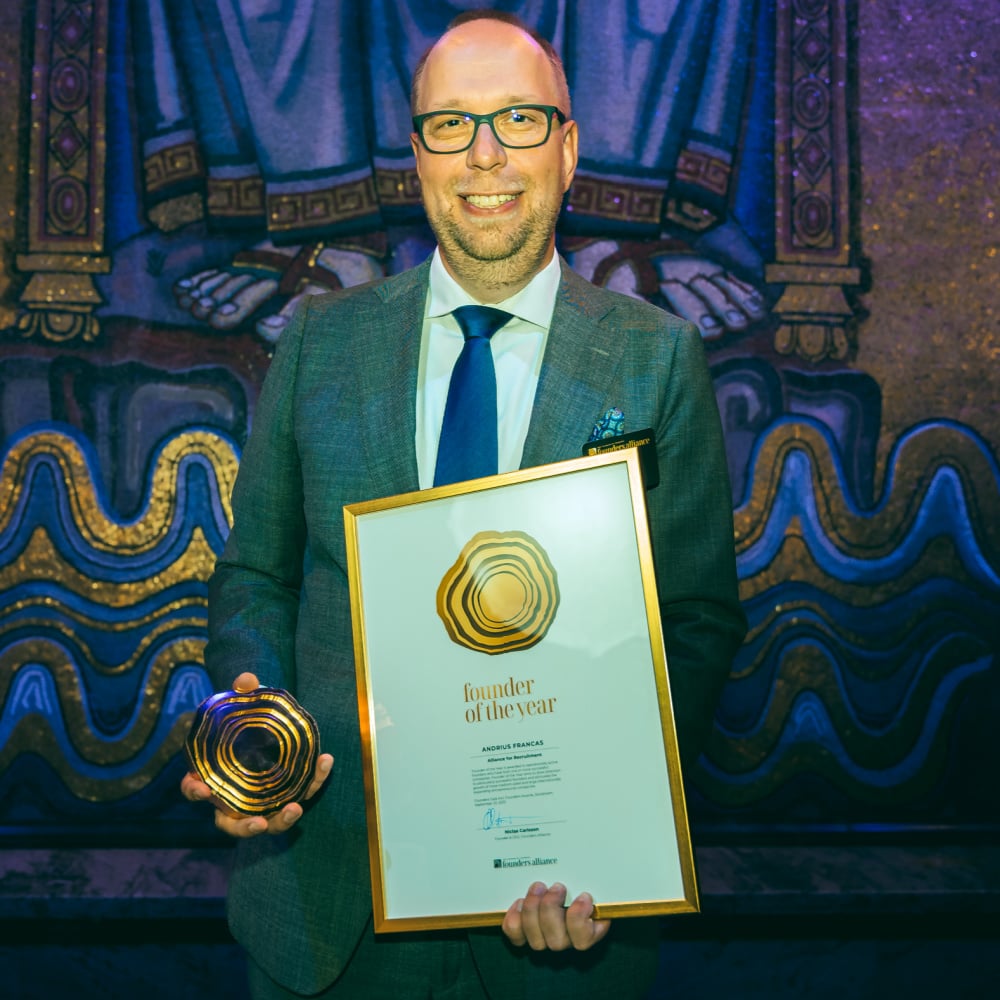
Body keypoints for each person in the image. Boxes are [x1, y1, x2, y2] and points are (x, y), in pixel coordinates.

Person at [181, 11, 745, 998]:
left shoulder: (656, 358)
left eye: (520, 120)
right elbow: (254, 581)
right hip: (327, 917)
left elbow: (693, 618)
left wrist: (610, 832)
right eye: (451, 125)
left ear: (568, 152)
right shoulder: (320, 342)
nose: (485, 155)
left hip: (561, 918)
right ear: (416, 156)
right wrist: (258, 736)